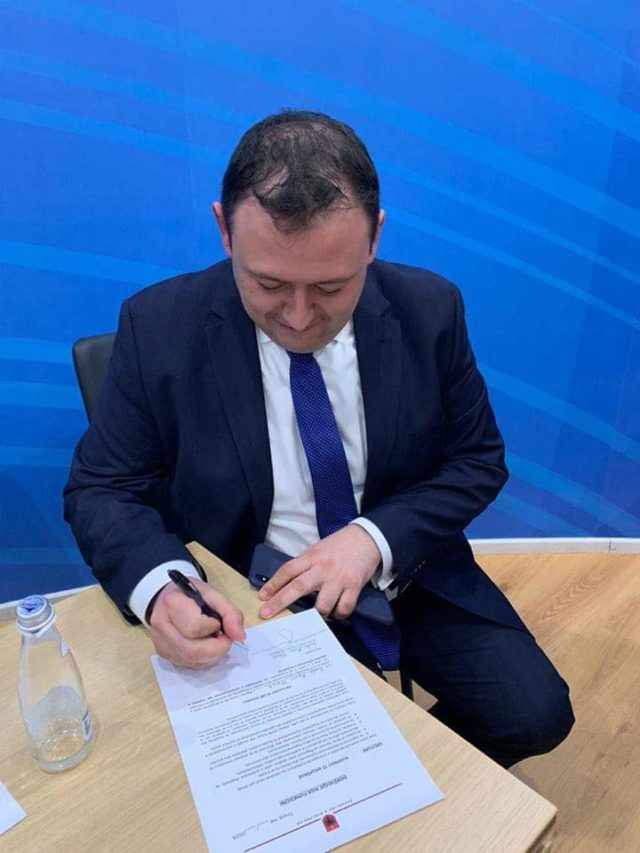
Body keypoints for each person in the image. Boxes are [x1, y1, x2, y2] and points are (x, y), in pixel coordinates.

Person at [64, 110, 574, 767]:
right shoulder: (157, 327)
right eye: (268, 284)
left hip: (401, 570)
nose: (299, 317)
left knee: (537, 714)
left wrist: (372, 540)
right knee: (311, 769)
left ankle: (410, 781)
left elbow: (477, 459)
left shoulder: (430, 310)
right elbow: (102, 488)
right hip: (253, 601)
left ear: (374, 237)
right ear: (224, 229)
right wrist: (164, 589)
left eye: (331, 286)